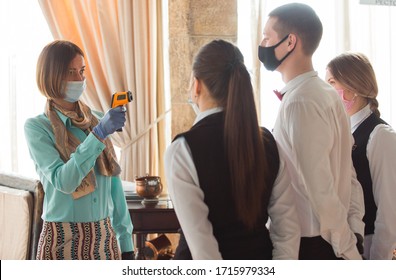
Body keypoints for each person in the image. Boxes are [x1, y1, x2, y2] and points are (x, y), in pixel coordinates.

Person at [164, 39, 300, 260]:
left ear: (196, 85)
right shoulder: (267, 141)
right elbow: (288, 230)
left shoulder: (182, 150)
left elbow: (203, 250)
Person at [258, 3, 365, 259]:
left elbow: (320, 186)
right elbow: (348, 173)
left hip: (312, 244)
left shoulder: (300, 101)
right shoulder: (325, 93)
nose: (262, 44)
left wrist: (348, 249)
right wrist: (354, 229)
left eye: (267, 37)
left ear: (289, 42)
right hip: (329, 239)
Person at [24, 40, 134, 260]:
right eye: (70, 72)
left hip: (105, 240)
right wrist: (98, 135)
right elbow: (64, 181)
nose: (80, 79)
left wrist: (126, 241)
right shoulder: (37, 128)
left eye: (82, 71)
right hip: (61, 241)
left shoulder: (96, 119)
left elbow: (113, 185)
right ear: (51, 76)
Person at [326, 52, 396, 260]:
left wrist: (378, 261)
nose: (326, 91)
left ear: (352, 86)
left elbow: (389, 209)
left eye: (331, 82)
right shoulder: (341, 131)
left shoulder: (380, 136)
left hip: (372, 246)